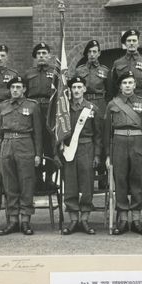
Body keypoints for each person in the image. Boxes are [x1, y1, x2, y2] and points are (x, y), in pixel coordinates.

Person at [104, 71, 142, 235]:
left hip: (137, 144)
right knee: (120, 180)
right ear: (120, 86)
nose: (127, 85)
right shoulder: (113, 104)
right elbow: (107, 131)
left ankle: (136, 219)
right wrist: (108, 154)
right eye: (124, 83)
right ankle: (123, 218)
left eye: (130, 83)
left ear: (135, 85)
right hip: (118, 144)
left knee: (137, 180)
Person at [0, 76, 42, 236]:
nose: (15, 90)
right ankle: (13, 220)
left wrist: (38, 154)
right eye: (13, 87)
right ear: (10, 89)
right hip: (7, 145)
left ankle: (25, 221)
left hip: (25, 145)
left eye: (18, 87)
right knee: (10, 185)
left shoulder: (33, 106)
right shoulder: (2, 106)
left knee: (26, 184)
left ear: (24, 89)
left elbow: (38, 132)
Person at [61, 77, 102, 235]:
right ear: (70, 90)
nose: (76, 90)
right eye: (74, 87)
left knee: (86, 184)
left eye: (79, 87)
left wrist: (97, 154)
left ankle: (84, 219)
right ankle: (73, 220)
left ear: (84, 89)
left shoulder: (92, 109)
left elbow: (98, 135)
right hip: (69, 149)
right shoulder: (64, 109)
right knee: (70, 184)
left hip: (87, 148)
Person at [75, 40, 110, 189]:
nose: (92, 55)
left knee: (100, 135)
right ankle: (85, 174)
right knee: (84, 133)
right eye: (89, 52)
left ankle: (102, 174)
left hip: (100, 104)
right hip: (84, 103)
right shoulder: (79, 70)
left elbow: (110, 91)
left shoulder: (105, 71)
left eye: (94, 51)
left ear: (99, 53)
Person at [23, 42, 60, 186]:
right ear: (35, 57)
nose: (41, 56)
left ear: (49, 56)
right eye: (38, 54)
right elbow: (23, 93)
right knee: (34, 144)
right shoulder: (28, 73)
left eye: (44, 53)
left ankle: (49, 178)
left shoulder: (55, 72)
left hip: (50, 110)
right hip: (33, 109)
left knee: (50, 145)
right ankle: (37, 179)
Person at [110, 29, 142, 104]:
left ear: (138, 43)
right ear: (125, 44)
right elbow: (113, 85)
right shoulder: (118, 63)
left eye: (134, 41)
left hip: (141, 99)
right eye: (129, 41)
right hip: (122, 100)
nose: (131, 43)